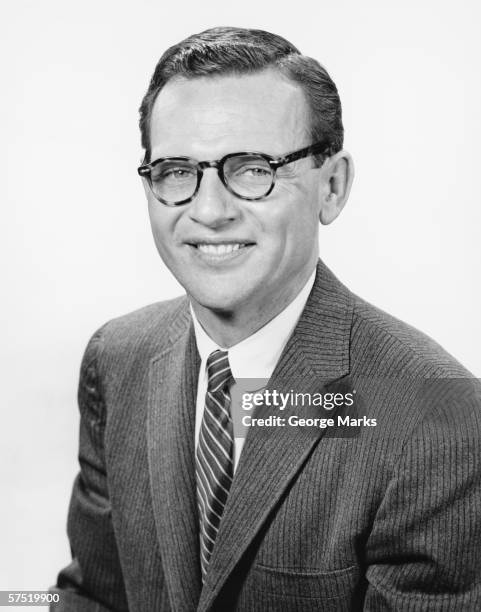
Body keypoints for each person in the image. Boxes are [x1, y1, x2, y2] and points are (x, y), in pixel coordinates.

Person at [51, 26, 481, 611]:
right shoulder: (117, 357)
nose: (208, 210)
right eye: (177, 171)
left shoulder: (437, 418)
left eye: (253, 169)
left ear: (333, 186)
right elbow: (92, 597)